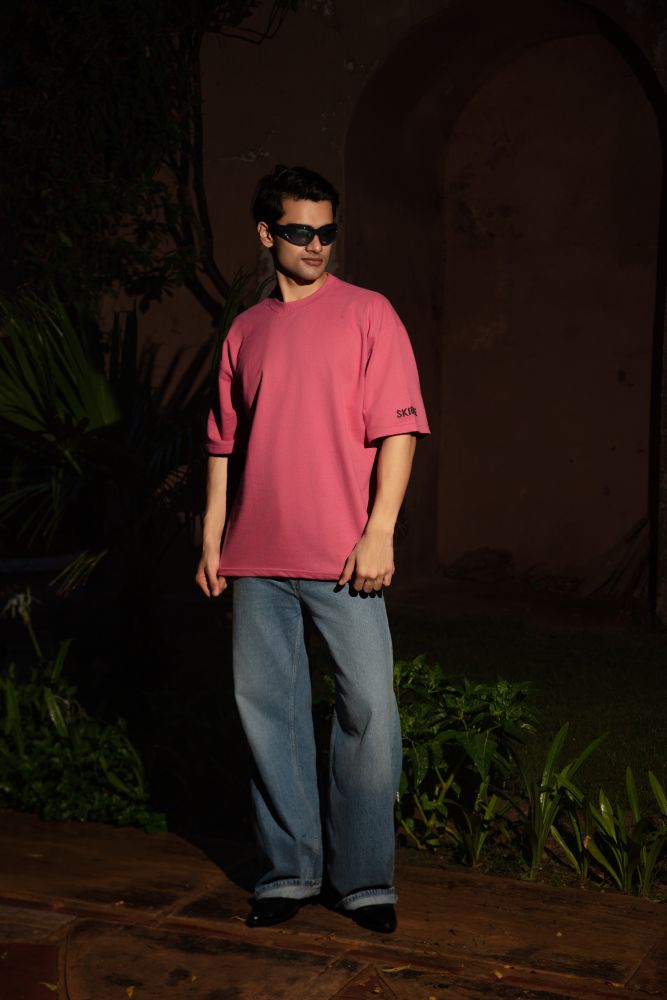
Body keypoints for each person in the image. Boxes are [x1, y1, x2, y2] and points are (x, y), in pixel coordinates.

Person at [196, 165, 429, 934]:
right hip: (255, 558)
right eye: (300, 231)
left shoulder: (368, 314)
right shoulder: (246, 330)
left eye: (327, 231)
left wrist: (379, 530)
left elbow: (398, 431)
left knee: (369, 712)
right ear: (267, 234)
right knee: (269, 715)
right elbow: (223, 444)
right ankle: (288, 872)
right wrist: (211, 537)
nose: (316, 245)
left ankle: (362, 881)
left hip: (344, 558)